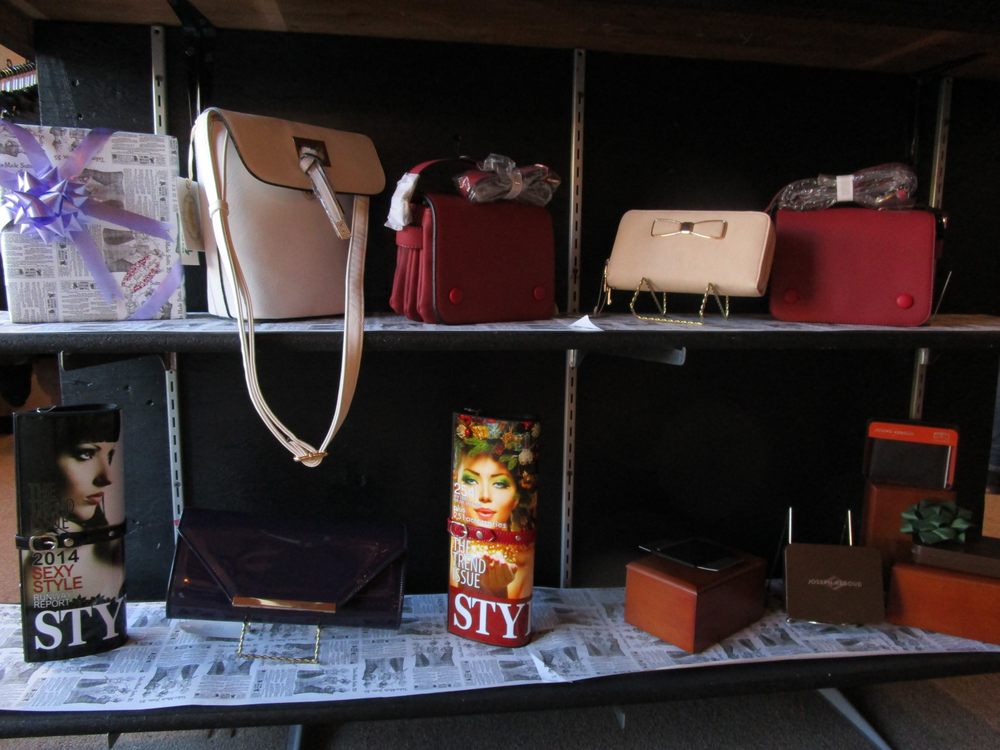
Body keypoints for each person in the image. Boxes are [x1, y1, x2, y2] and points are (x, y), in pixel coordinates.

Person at [19, 406, 125, 605]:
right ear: (44, 459)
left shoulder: (108, 547)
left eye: (110, 456)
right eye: (85, 454)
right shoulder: (35, 562)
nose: (106, 478)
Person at [449, 415, 539, 600]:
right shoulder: (453, 551)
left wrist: (498, 591)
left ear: (516, 497)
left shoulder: (525, 562)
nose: (484, 496)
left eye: (499, 484)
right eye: (471, 480)